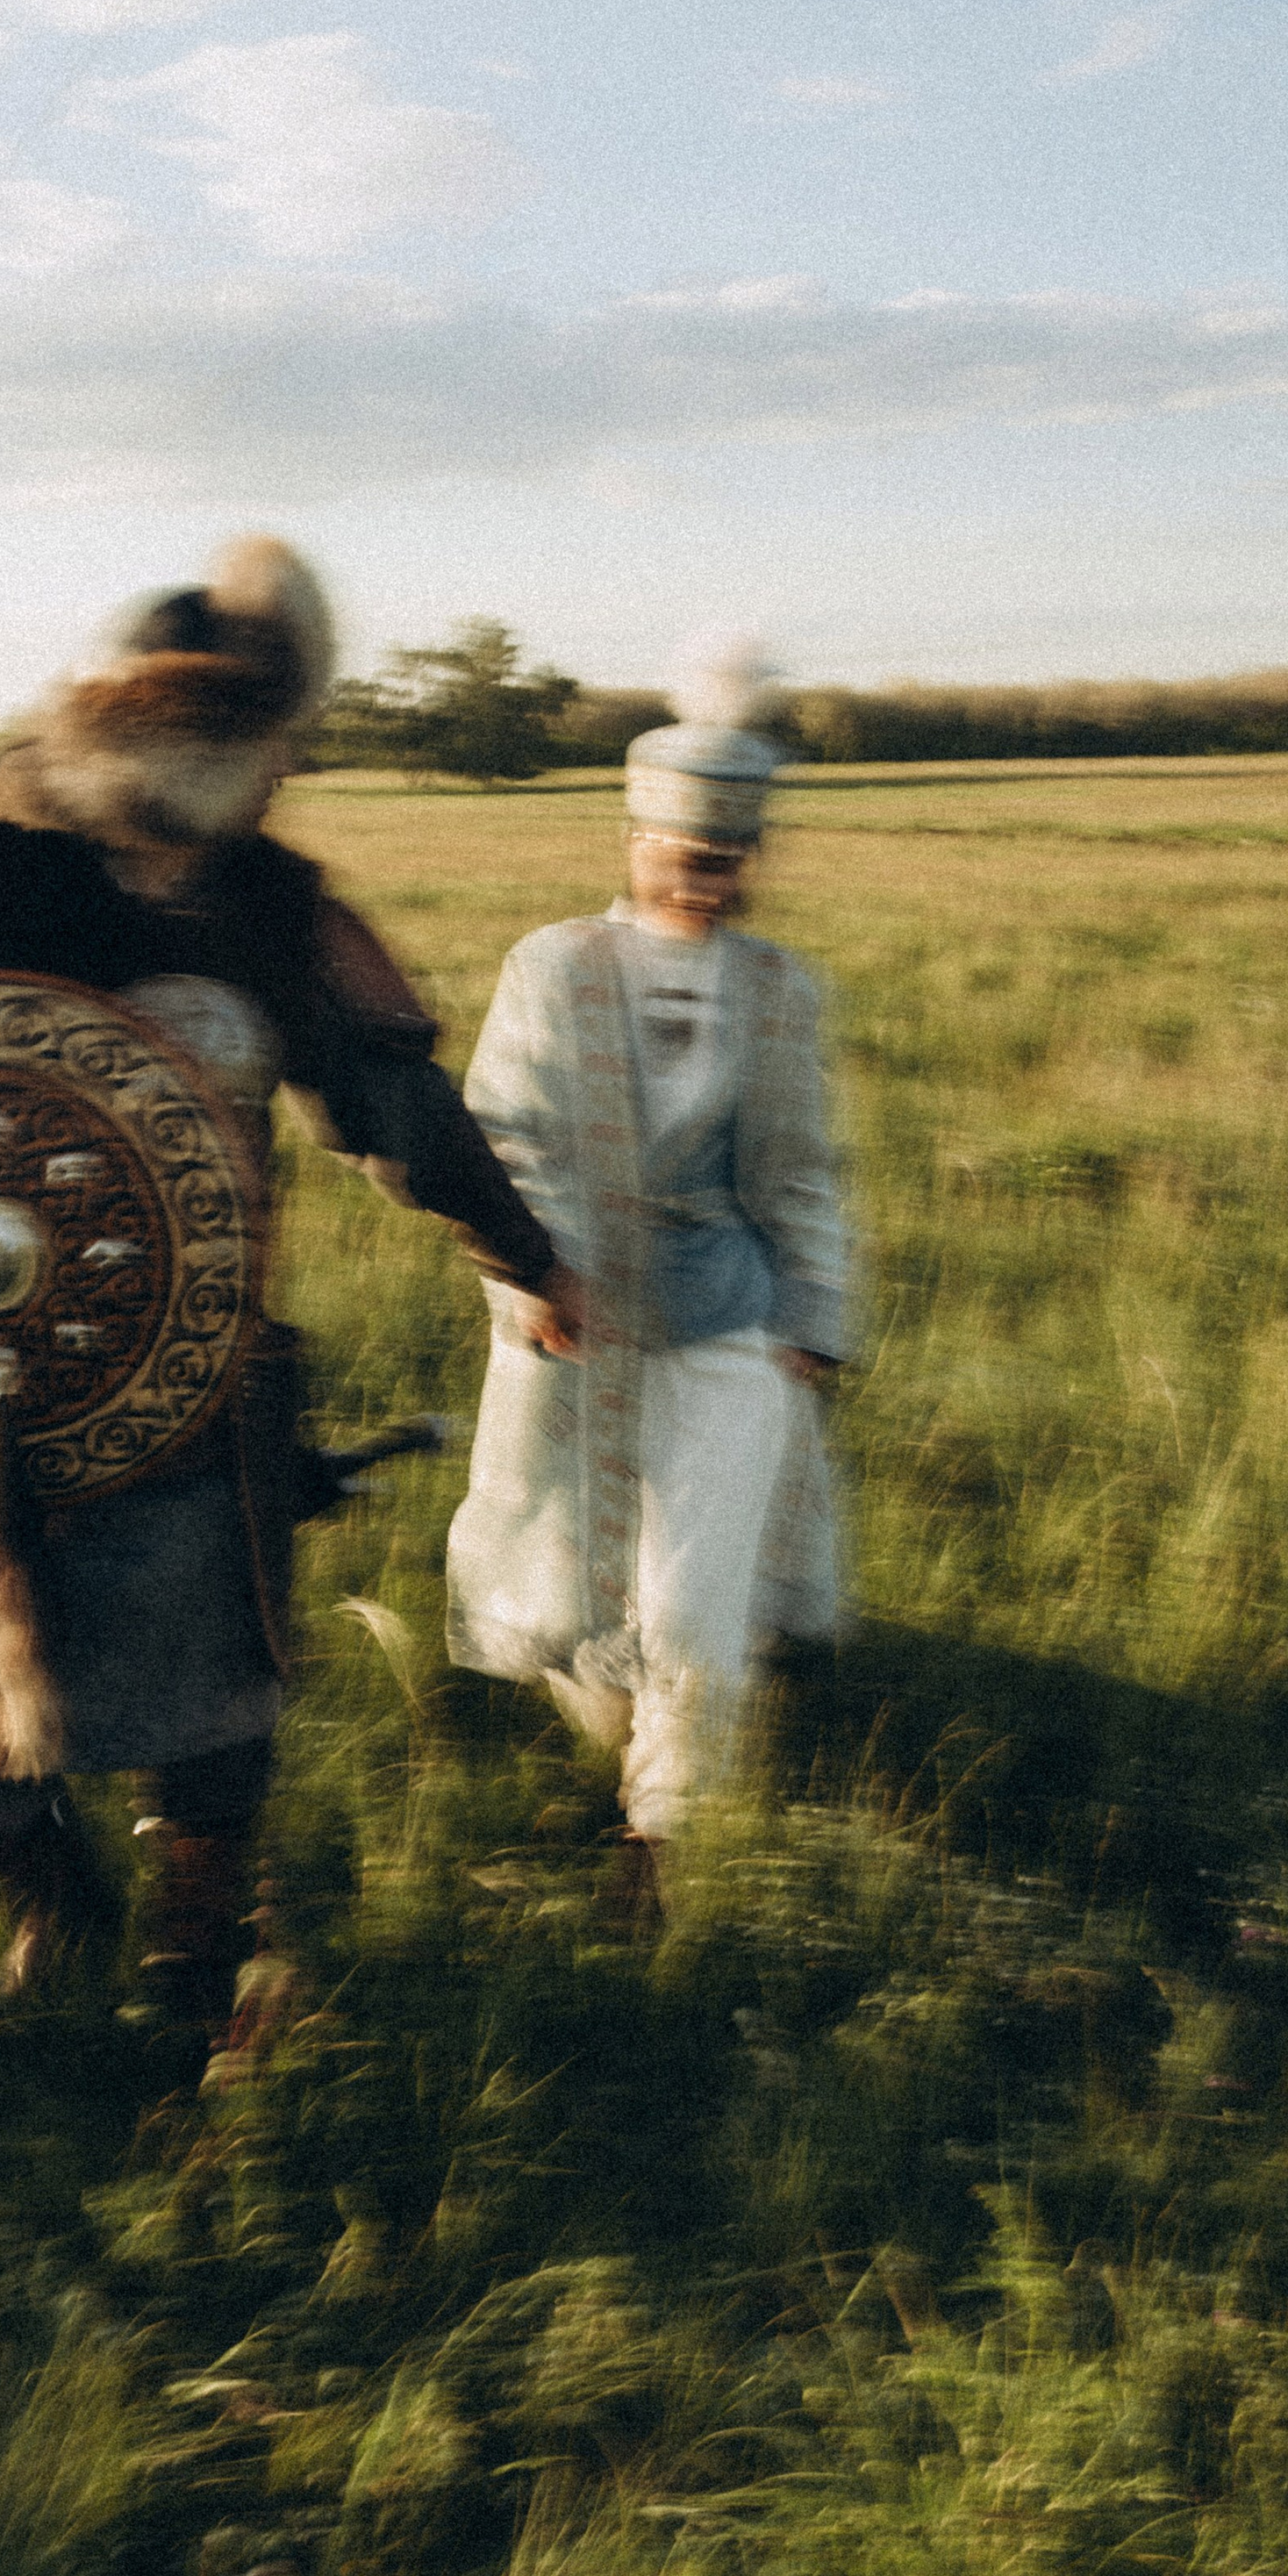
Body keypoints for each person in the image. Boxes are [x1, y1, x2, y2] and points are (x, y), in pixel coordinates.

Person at [0, 538, 582, 2034]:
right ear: (145, 736)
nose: (265, 782)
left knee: (210, 1727)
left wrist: (525, 1260)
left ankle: (190, 1970)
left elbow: (395, 1116)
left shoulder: (271, 910)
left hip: (195, 1377)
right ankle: (55, 1912)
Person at [443, 650, 849, 1885]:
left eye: (723, 860)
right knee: (575, 1571)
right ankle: (634, 1745)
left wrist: (812, 1316)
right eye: (679, 853)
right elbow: (502, 1134)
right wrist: (533, 1276)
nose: (700, 880)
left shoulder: (781, 990)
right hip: (573, 1315)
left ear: (751, 860)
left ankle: (661, 1832)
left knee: (695, 1586)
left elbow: (800, 1169)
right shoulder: (552, 967)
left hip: (729, 1321)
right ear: (633, 842)